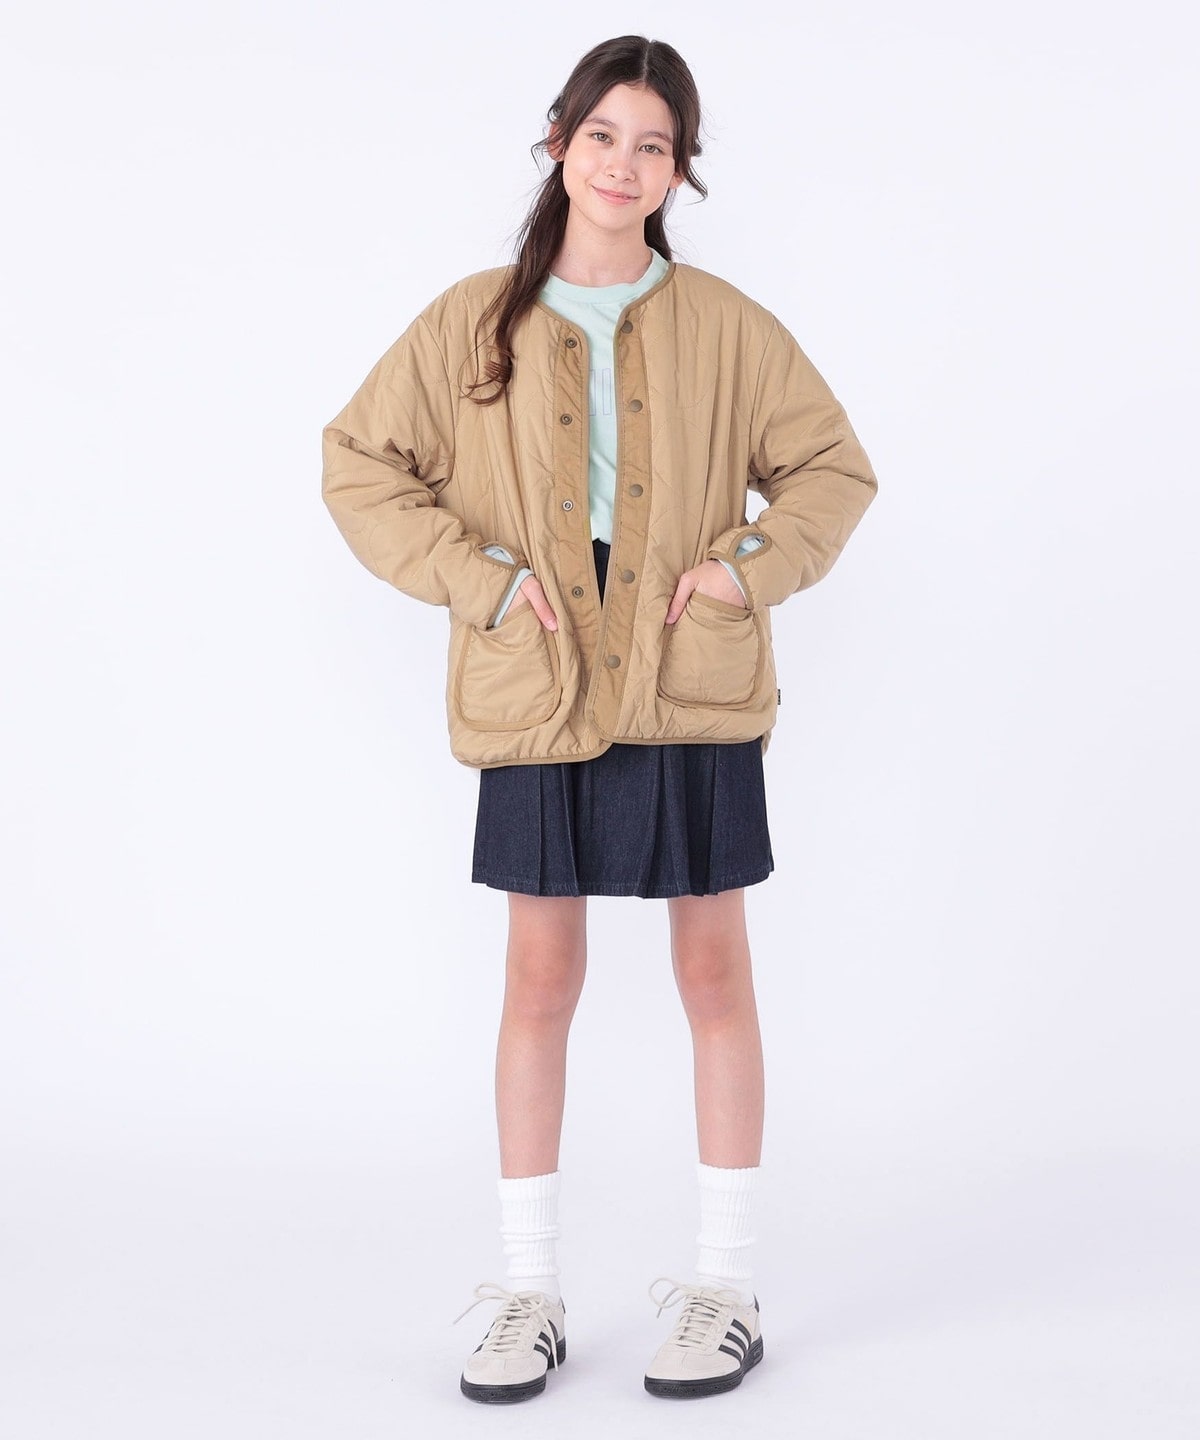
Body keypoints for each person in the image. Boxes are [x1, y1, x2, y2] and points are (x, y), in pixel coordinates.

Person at [321, 34, 877, 1404]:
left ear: (680, 171)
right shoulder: (474, 322)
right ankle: (528, 1293)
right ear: (560, 142)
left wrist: (744, 570)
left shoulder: (729, 327)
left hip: (689, 679)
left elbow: (831, 470)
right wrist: (483, 581)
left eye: (654, 145)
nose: (625, 165)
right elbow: (359, 464)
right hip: (543, 677)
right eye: (604, 136)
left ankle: (726, 1288)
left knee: (713, 974)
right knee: (539, 980)